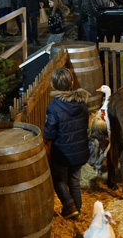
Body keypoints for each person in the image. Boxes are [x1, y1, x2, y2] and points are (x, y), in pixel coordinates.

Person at [43, 68, 90, 219]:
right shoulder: (82, 104)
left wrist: (47, 146)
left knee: (57, 178)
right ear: (71, 82)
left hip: (62, 152)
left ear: (53, 86)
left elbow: (49, 133)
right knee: (75, 180)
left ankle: (69, 205)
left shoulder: (54, 107)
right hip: (80, 150)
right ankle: (78, 209)